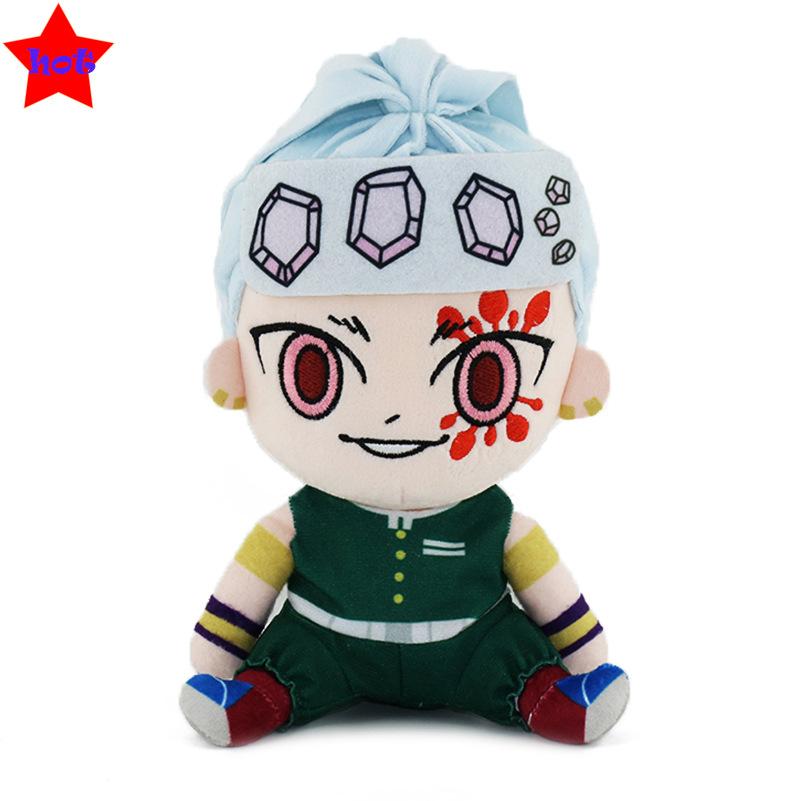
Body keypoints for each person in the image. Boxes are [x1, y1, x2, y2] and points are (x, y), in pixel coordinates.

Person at [180, 39, 628, 747]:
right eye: (314, 370)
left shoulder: (496, 523)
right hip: (321, 641)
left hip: (476, 643)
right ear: (238, 374)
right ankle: (254, 701)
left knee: (517, 664)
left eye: (483, 378)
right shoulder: (300, 522)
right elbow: (246, 587)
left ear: (569, 381)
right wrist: (218, 654)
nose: (394, 414)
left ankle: (551, 698)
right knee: (286, 669)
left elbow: (551, 592)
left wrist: (584, 654)